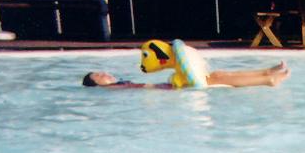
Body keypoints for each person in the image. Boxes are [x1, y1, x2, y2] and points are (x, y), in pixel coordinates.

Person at [82, 62, 291, 89]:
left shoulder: (120, 84)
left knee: (217, 74)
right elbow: (142, 88)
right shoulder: (111, 89)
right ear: (95, 84)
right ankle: (267, 79)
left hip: (165, 88)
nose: (103, 73)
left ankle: (266, 73)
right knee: (216, 78)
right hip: (167, 90)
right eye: (97, 75)